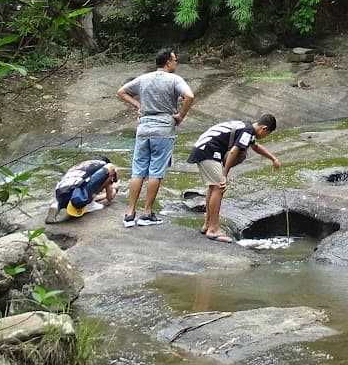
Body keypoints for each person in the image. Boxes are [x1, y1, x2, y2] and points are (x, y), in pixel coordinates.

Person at [115, 48, 193, 228]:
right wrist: (181, 116)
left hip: (143, 127)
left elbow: (121, 91)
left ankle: (129, 213)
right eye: (175, 60)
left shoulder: (144, 78)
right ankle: (147, 213)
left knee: (138, 170)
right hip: (163, 128)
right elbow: (189, 96)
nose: (176, 63)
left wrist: (138, 105)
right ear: (168, 62)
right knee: (156, 171)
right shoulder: (175, 79)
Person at [188, 115, 279, 243]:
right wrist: (225, 174)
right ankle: (213, 229)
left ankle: (208, 225)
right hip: (208, 150)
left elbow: (256, 147)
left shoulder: (247, 128)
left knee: (214, 187)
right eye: (267, 134)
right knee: (220, 186)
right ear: (264, 129)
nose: (265, 136)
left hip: (203, 148)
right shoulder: (247, 131)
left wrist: (273, 158)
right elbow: (233, 152)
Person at [49, 158, 119, 222]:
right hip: (79, 195)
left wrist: (103, 195)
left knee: (78, 189)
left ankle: (58, 205)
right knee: (110, 168)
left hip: (61, 193)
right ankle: (88, 203)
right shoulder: (104, 165)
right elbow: (109, 197)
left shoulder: (82, 166)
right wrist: (114, 184)